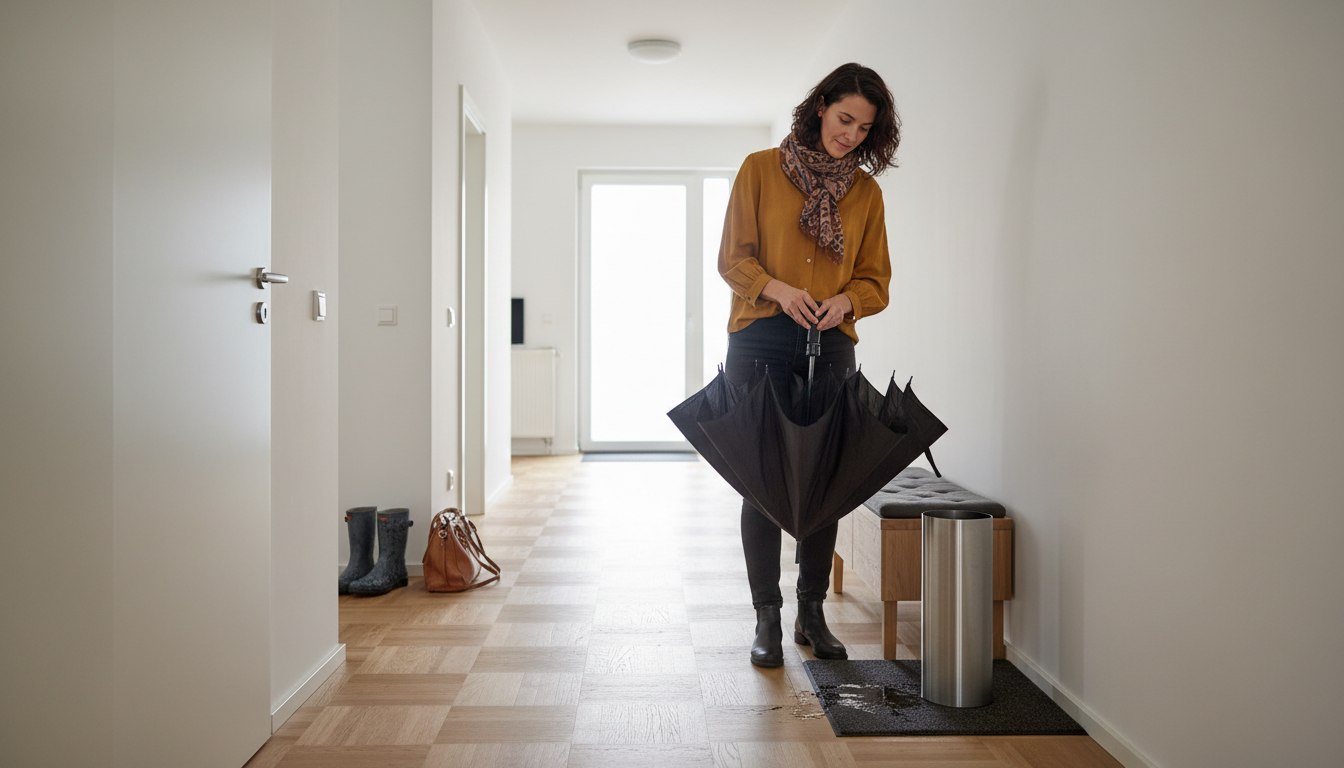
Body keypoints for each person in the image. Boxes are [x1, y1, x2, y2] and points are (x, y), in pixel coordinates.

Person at [718, 62, 901, 668]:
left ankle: (810, 614)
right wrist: (778, 289)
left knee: (826, 481)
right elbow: (733, 259)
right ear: (821, 106)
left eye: (863, 128)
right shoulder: (760, 170)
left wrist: (846, 300)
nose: (850, 134)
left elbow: (876, 280)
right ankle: (766, 618)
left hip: (831, 344)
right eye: (844, 118)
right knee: (762, 480)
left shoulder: (867, 194)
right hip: (761, 336)